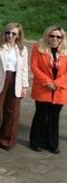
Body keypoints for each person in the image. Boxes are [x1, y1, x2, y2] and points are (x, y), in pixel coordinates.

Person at [0, 23, 30, 151]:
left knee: (13, 111)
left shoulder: (22, 49)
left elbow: (24, 69)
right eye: (8, 33)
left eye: (13, 34)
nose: (10, 36)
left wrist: (24, 86)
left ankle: (7, 140)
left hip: (15, 80)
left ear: (18, 36)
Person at [28, 25, 66, 154]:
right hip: (43, 88)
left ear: (62, 39)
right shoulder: (38, 48)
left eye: (58, 37)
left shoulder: (65, 51)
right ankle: (36, 141)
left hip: (59, 90)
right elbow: (34, 66)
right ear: (47, 36)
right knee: (41, 115)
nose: (55, 39)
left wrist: (57, 83)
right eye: (52, 36)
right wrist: (47, 82)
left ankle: (52, 143)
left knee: (54, 117)